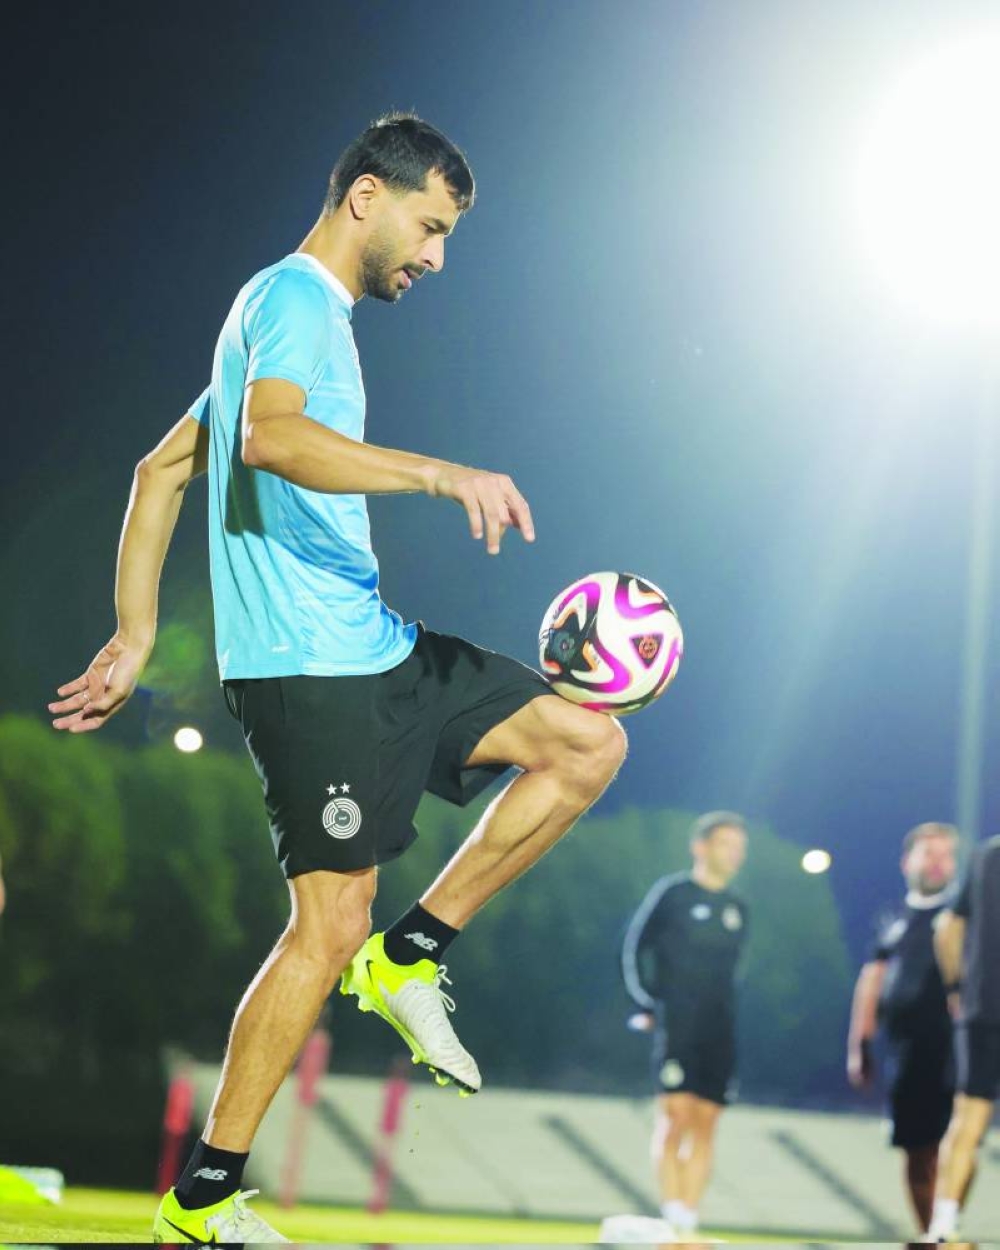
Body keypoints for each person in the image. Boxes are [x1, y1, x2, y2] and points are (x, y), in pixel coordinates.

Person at [50, 113, 627, 1245]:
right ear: (367, 196)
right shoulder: (293, 302)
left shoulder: (282, 317)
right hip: (304, 674)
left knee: (585, 742)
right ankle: (201, 1199)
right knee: (324, 923)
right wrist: (436, 470)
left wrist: (132, 633)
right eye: (430, 224)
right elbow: (268, 440)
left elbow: (161, 468)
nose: (436, 255)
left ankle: (409, 957)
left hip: (373, 643)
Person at [621, 812, 749, 1238]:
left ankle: (690, 1219)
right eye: (726, 844)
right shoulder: (673, 894)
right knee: (675, 1115)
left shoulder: (738, 909)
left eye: (739, 847)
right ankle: (672, 1212)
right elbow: (635, 947)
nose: (734, 854)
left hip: (720, 1026)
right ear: (701, 847)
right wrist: (647, 1001)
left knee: (707, 1119)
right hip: (677, 1021)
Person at [846, 822, 959, 1234]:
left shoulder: (965, 915)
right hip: (904, 1050)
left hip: (954, 1048)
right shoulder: (891, 918)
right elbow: (871, 979)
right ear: (906, 861)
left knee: (956, 1143)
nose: (937, 863)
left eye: (946, 854)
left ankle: (949, 1228)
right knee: (916, 1148)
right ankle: (931, 1234)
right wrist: (859, 1043)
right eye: (928, 853)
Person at [928, 834, 1000, 1242]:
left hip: (982, 1007)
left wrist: (957, 986)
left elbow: (947, 928)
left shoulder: (987, 855)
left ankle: (943, 1223)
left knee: (968, 1118)